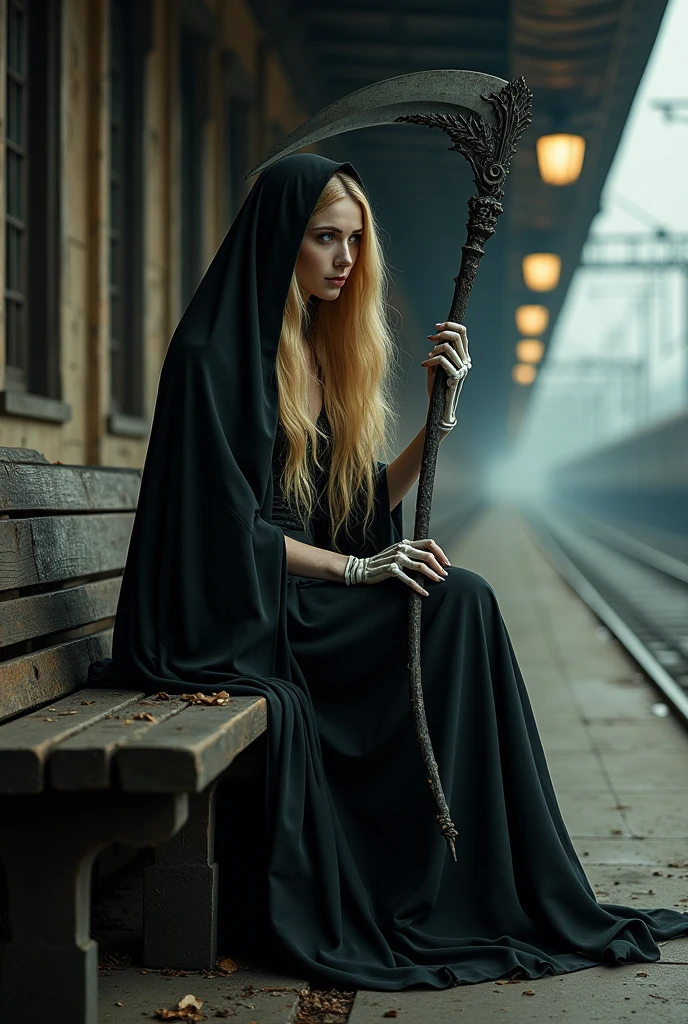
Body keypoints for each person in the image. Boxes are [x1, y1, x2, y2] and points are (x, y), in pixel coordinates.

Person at [87, 152, 688, 991]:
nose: (344, 259)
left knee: (460, 599)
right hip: (234, 616)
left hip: (298, 594)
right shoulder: (209, 356)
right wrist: (362, 568)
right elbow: (224, 537)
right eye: (325, 238)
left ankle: (478, 873)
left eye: (355, 241)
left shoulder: (314, 346)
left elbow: (356, 504)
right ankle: (441, 875)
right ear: (276, 239)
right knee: (456, 601)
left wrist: (437, 421)